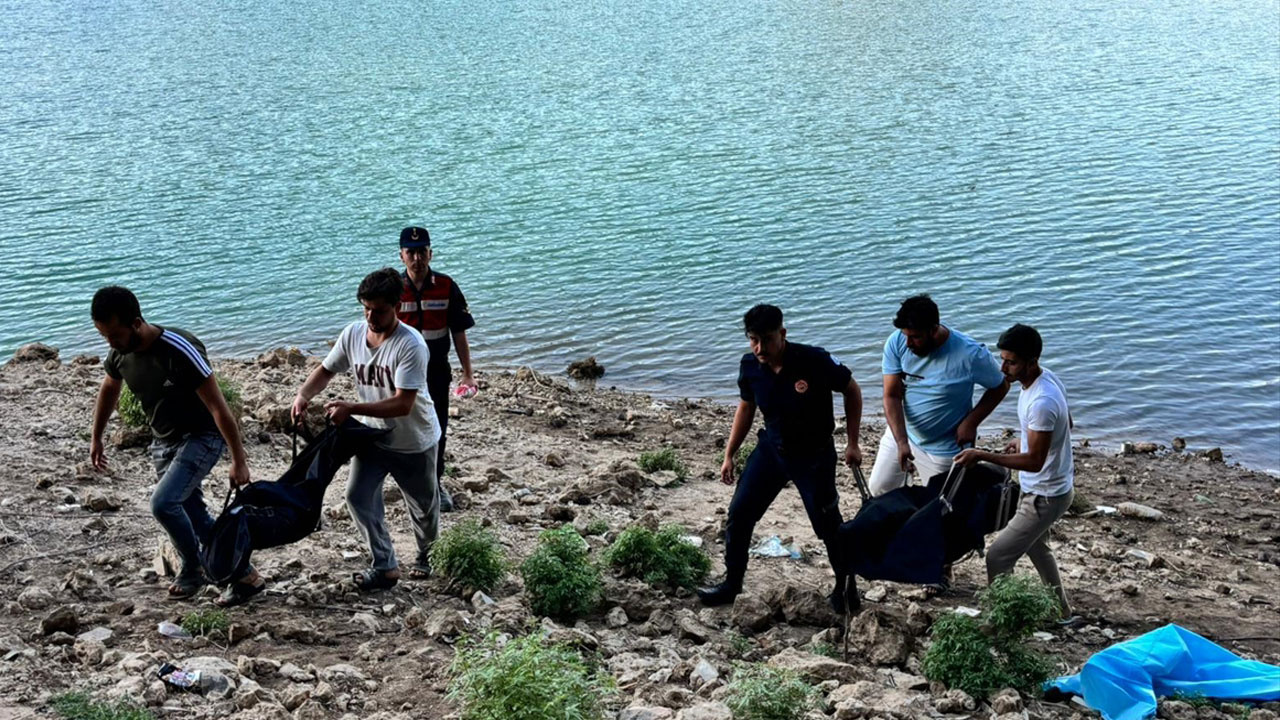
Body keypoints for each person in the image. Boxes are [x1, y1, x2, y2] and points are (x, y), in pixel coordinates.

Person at [87, 286, 253, 602]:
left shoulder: (179, 349)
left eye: (114, 335)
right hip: (163, 442)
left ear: (136, 322)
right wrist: (97, 437)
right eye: (104, 337)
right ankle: (245, 575)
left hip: (202, 437)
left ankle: (194, 567)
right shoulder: (119, 353)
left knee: (163, 504)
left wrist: (238, 459)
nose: (110, 344)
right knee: (193, 513)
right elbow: (109, 389)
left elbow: (219, 407)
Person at [698, 305, 863, 612]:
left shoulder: (813, 360)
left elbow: (852, 390)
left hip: (814, 457)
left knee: (828, 526)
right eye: (753, 340)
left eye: (767, 339)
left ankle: (846, 589)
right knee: (740, 514)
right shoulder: (749, 367)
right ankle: (732, 584)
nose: (760, 348)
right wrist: (729, 454)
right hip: (772, 452)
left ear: (782, 334)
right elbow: (746, 408)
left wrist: (852, 443)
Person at [292, 268, 442, 590]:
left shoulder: (411, 346)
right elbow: (326, 369)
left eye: (379, 310)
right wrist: (303, 396)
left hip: (413, 440)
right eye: (366, 308)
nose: (371, 317)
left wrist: (352, 408)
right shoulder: (353, 334)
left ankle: (428, 556)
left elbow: (402, 404)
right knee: (357, 497)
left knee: (423, 507)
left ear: (396, 307)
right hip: (372, 436)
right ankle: (385, 564)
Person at [954, 324, 1075, 618]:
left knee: (998, 556)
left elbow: (1034, 461)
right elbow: (1066, 425)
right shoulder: (1045, 380)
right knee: (1038, 549)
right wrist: (1026, 439)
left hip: (1044, 495)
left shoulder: (1042, 401)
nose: (1003, 368)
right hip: (1049, 489)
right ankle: (1062, 613)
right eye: (1002, 359)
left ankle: (1000, 621)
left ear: (1031, 362)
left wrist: (984, 455)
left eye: (1011, 362)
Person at [868, 295, 1010, 496]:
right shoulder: (897, 342)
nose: (908, 343)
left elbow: (1001, 386)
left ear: (934, 329)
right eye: (905, 335)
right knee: (879, 489)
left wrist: (971, 422)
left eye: (915, 337)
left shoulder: (971, 355)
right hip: (902, 433)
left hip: (945, 447)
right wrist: (901, 442)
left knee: (942, 507)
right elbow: (891, 395)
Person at [395, 226, 476, 513]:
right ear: (402, 255)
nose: (417, 258)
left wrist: (468, 373)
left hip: (437, 371)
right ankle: (405, 482)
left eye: (422, 252)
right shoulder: (393, 288)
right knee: (400, 426)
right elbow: (378, 330)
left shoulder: (446, 285)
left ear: (431, 253)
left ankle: (434, 483)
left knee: (436, 427)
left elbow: (459, 332)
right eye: (411, 252)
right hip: (400, 373)